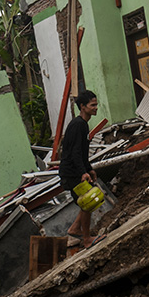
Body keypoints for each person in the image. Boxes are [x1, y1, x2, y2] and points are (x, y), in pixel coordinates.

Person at [59, 89, 100, 247]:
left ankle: (75, 229)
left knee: (87, 201)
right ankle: (87, 239)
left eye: (96, 105)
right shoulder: (78, 125)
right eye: (92, 105)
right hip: (71, 172)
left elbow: (82, 152)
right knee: (88, 200)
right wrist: (82, 172)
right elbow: (75, 152)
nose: (96, 108)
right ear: (82, 106)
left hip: (75, 170)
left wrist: (89, 168)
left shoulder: (82, 124)